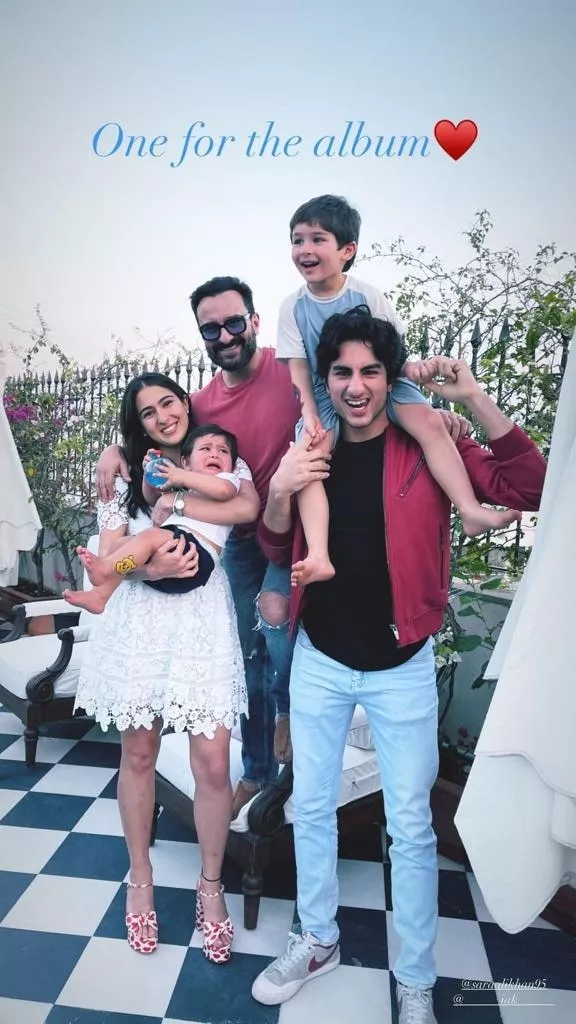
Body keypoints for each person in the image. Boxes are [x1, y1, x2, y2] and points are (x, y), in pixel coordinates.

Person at [251, 308, 547, 1023]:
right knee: (311, 806)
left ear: (389, 379)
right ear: (325, 379)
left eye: (370, 372)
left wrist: (473, 397)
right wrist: (281, 489)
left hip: (402, 663)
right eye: (342, 372)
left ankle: (414, 977)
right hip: (321, 657)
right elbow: (274, 546)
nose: (356, 386)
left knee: (411, 827)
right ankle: (317, 939)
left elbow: (531, 488)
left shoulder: (430, 438)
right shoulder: (312, 444)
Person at [95, 277, 304, 819]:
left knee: (276, 627)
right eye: (211, 329)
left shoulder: (291, 371)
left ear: (254, 321)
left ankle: (288, 717)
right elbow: (160, 434)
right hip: (238, 545)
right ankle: (256, 771)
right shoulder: (202, 404)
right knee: (247, 652)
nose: (225, 335)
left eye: (234, 322)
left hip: (297, 530)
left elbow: (352, 394)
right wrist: (115, 450)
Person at [75, 373, 260, 963]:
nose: (162, 416)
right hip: (142, 622)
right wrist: (149, 569)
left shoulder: (218, 456)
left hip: (202, 622)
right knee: (139, 755)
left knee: (213, 762)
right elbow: (109, 555)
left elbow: (248, 505)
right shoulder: (122, 472)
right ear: (138, 424)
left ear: (186, 402)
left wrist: (176, 498)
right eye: (147, 412)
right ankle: (140, 879)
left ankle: (211, 886)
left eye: (168, 403)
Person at [276, 194, 521, 587]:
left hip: (384, 378)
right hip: (325, 391)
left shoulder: (366, 295)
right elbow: (299, 368)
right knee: (310, 458)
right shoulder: (293, 307)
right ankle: (318, 554)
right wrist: (308, 412)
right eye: (297, 240)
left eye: (317, 239)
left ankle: (469, 510)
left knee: (429, 422)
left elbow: (391, 353)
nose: (305, 249)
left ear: (347, 250)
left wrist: (414, 372)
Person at [64, 423, 243, 614]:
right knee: (119, 546)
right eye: (206, 449)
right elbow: (153, 497)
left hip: (197, 556)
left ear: (232, 465)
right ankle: (101, 595)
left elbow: (224, 491)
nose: (215, 454)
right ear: (186, 462)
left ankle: (106, 569)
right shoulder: (186, 485)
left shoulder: (227, 479)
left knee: (149, 536)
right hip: (170, 559)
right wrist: (150, 472)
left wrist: (181, 475)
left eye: (223, 451)